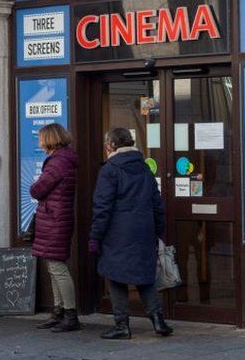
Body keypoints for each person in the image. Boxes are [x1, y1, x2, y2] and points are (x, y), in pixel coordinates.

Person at [89, 128, 172, 339]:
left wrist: (95, 237)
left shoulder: (110, 170)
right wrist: (159, 231)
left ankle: (121, 325)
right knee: (145, 277)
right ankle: (158, 321)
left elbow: (102, 207)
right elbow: (157, 204)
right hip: (144, 230)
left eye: (107, 143)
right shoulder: (144, 168)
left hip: (118, 233)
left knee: (116, 276)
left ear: (112, 146)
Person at [29, 123, 81, 332]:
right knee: (53, 266)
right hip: (56, 219)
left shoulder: (57, 163)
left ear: (49, 139)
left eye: (41, 138)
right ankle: (58, 312)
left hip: (55, 220)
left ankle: (70, 314)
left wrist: (35, 186)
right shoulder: (63, 159)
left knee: (58, 268)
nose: (39, 142)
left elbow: (37, 189)